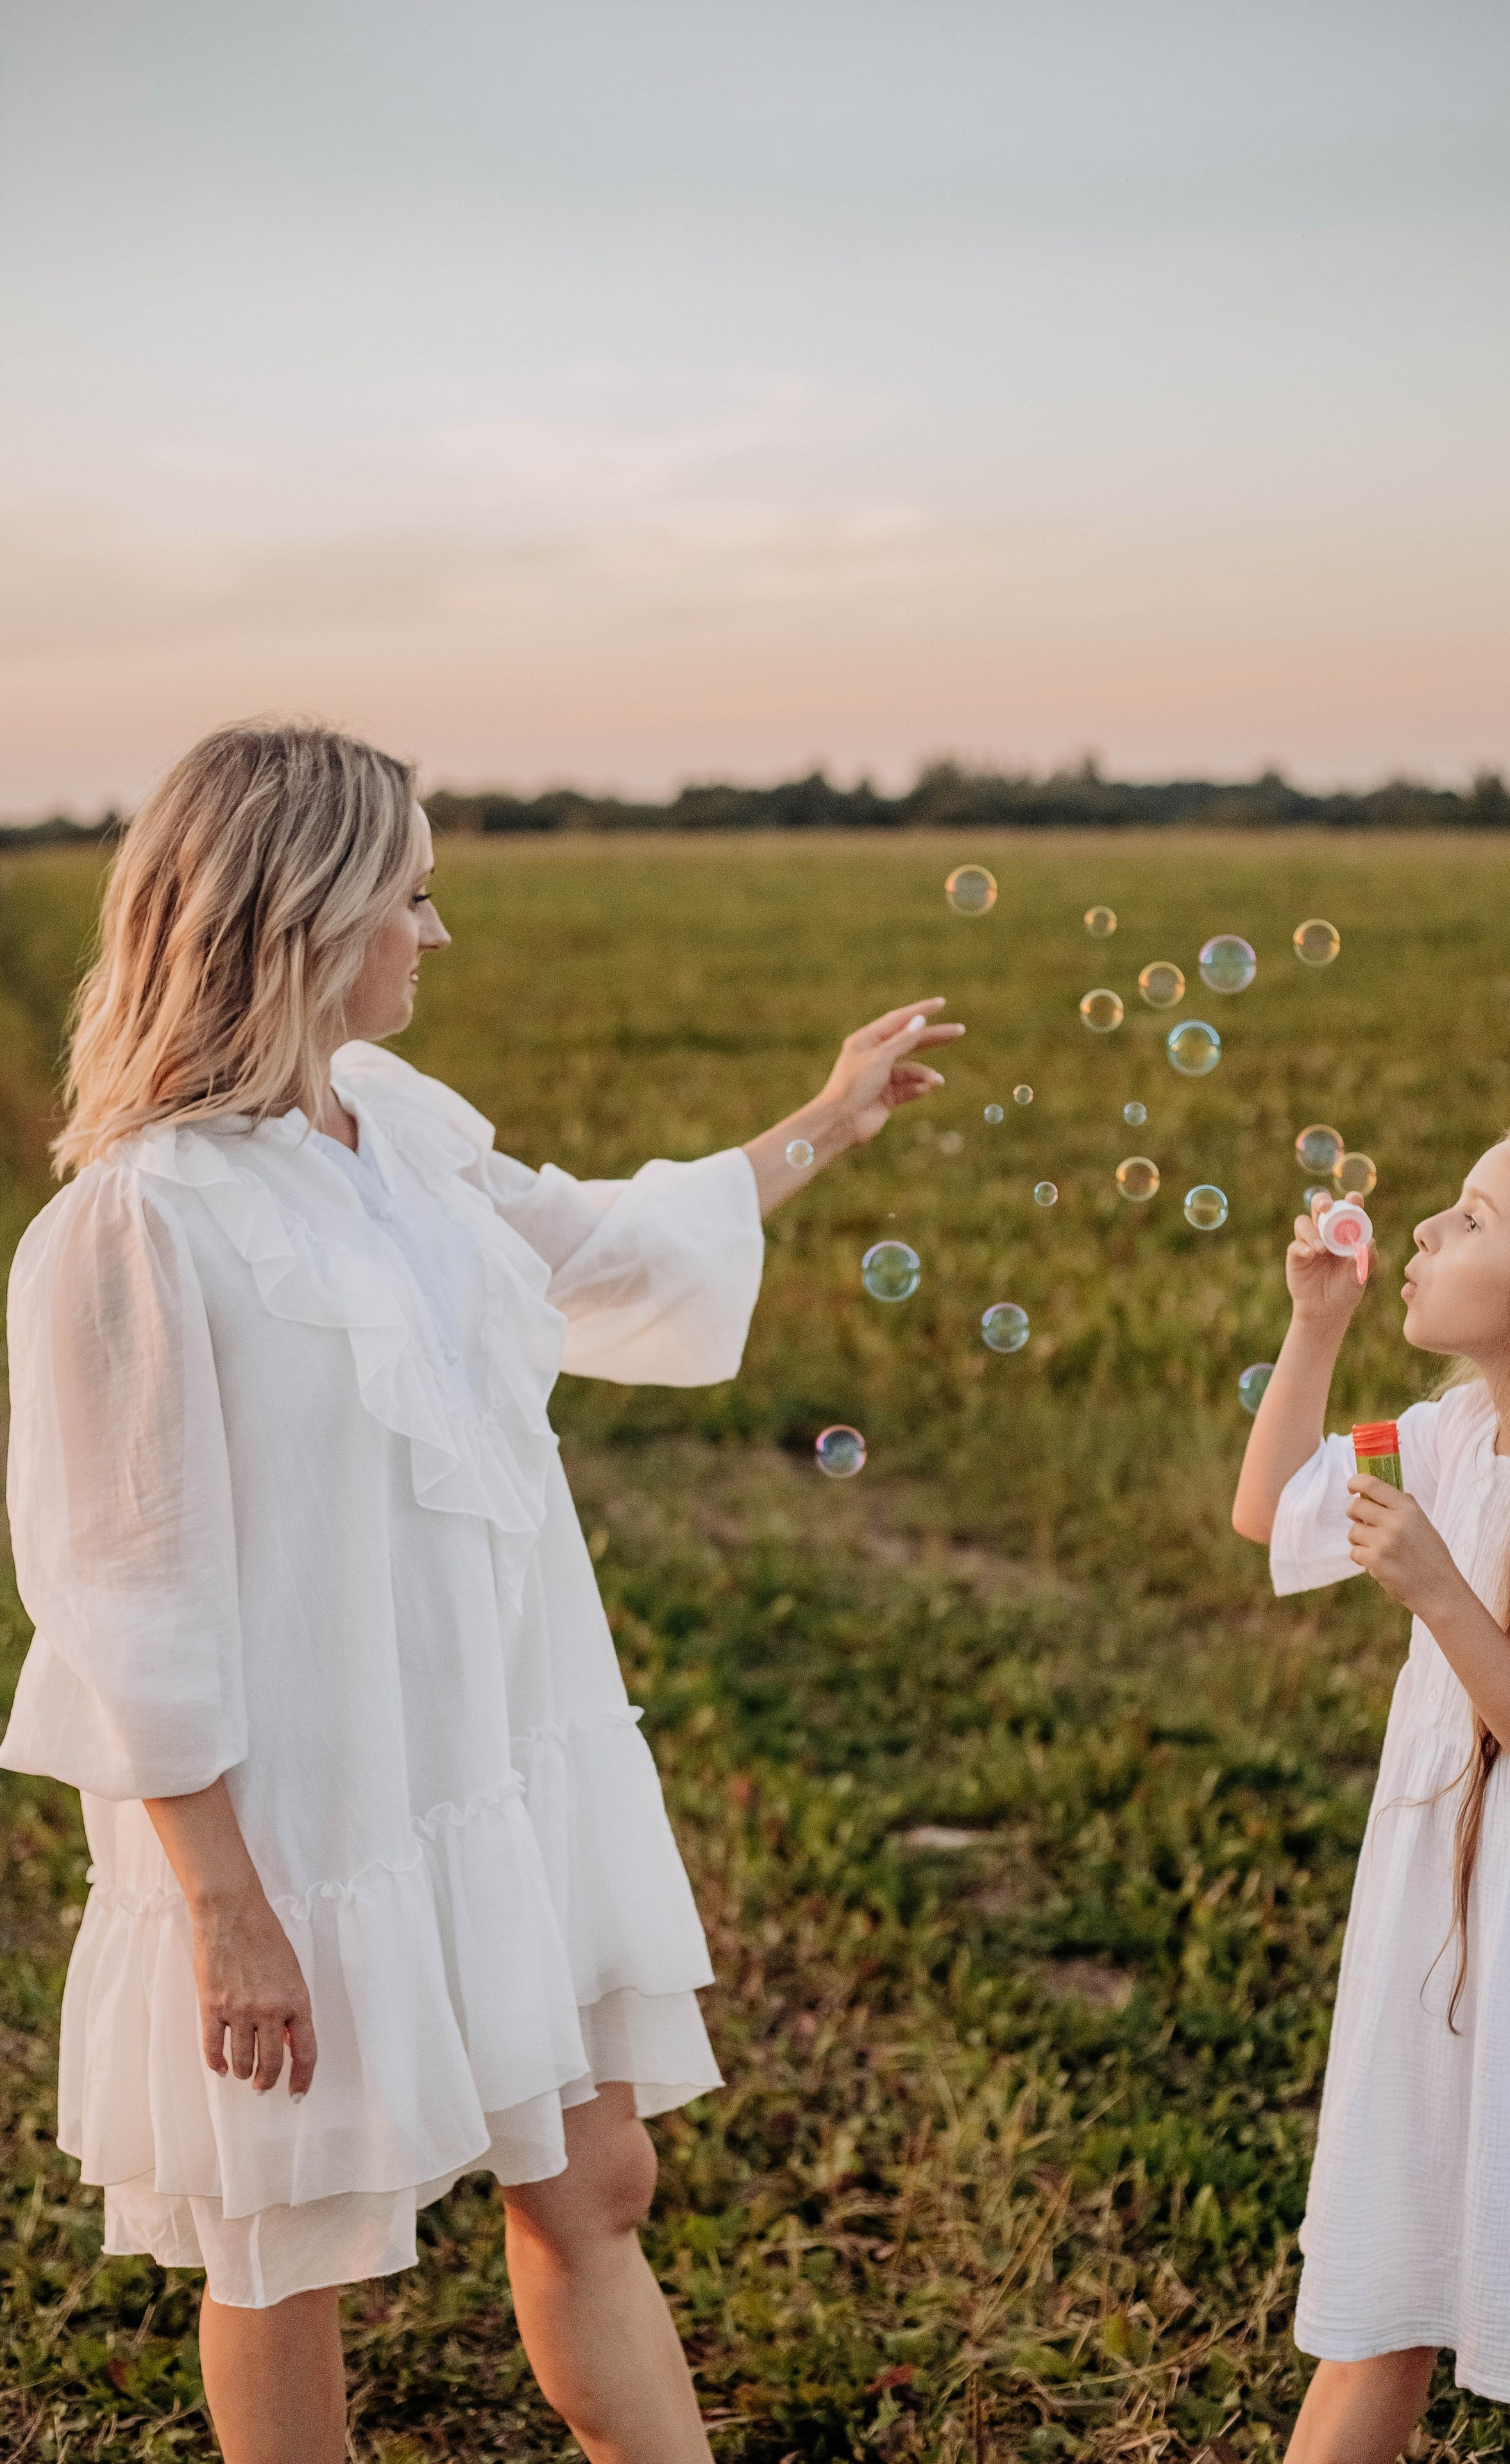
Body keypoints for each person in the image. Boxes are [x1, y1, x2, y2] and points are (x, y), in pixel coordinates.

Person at [0, 721, 964, 2464]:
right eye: (415, 895)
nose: (437, 935)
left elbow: (606, 1252)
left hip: (497, 1757)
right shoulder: (133, 1226)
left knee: (600, 2177)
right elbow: (124, 1596)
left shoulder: (397, 1133)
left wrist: (828, 1121)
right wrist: (225, 1906)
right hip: (303, 1814)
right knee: (291, 2246)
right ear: (303, 913)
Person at [1231, 1130, 1510, 2462]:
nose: (1419, 1234)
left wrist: (1437, 1593)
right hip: (1427, 1941)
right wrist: (1314, 1325)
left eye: (1467, 1220)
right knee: (1376, 2304)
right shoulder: (1443, 1433)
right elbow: (1266, 1508)